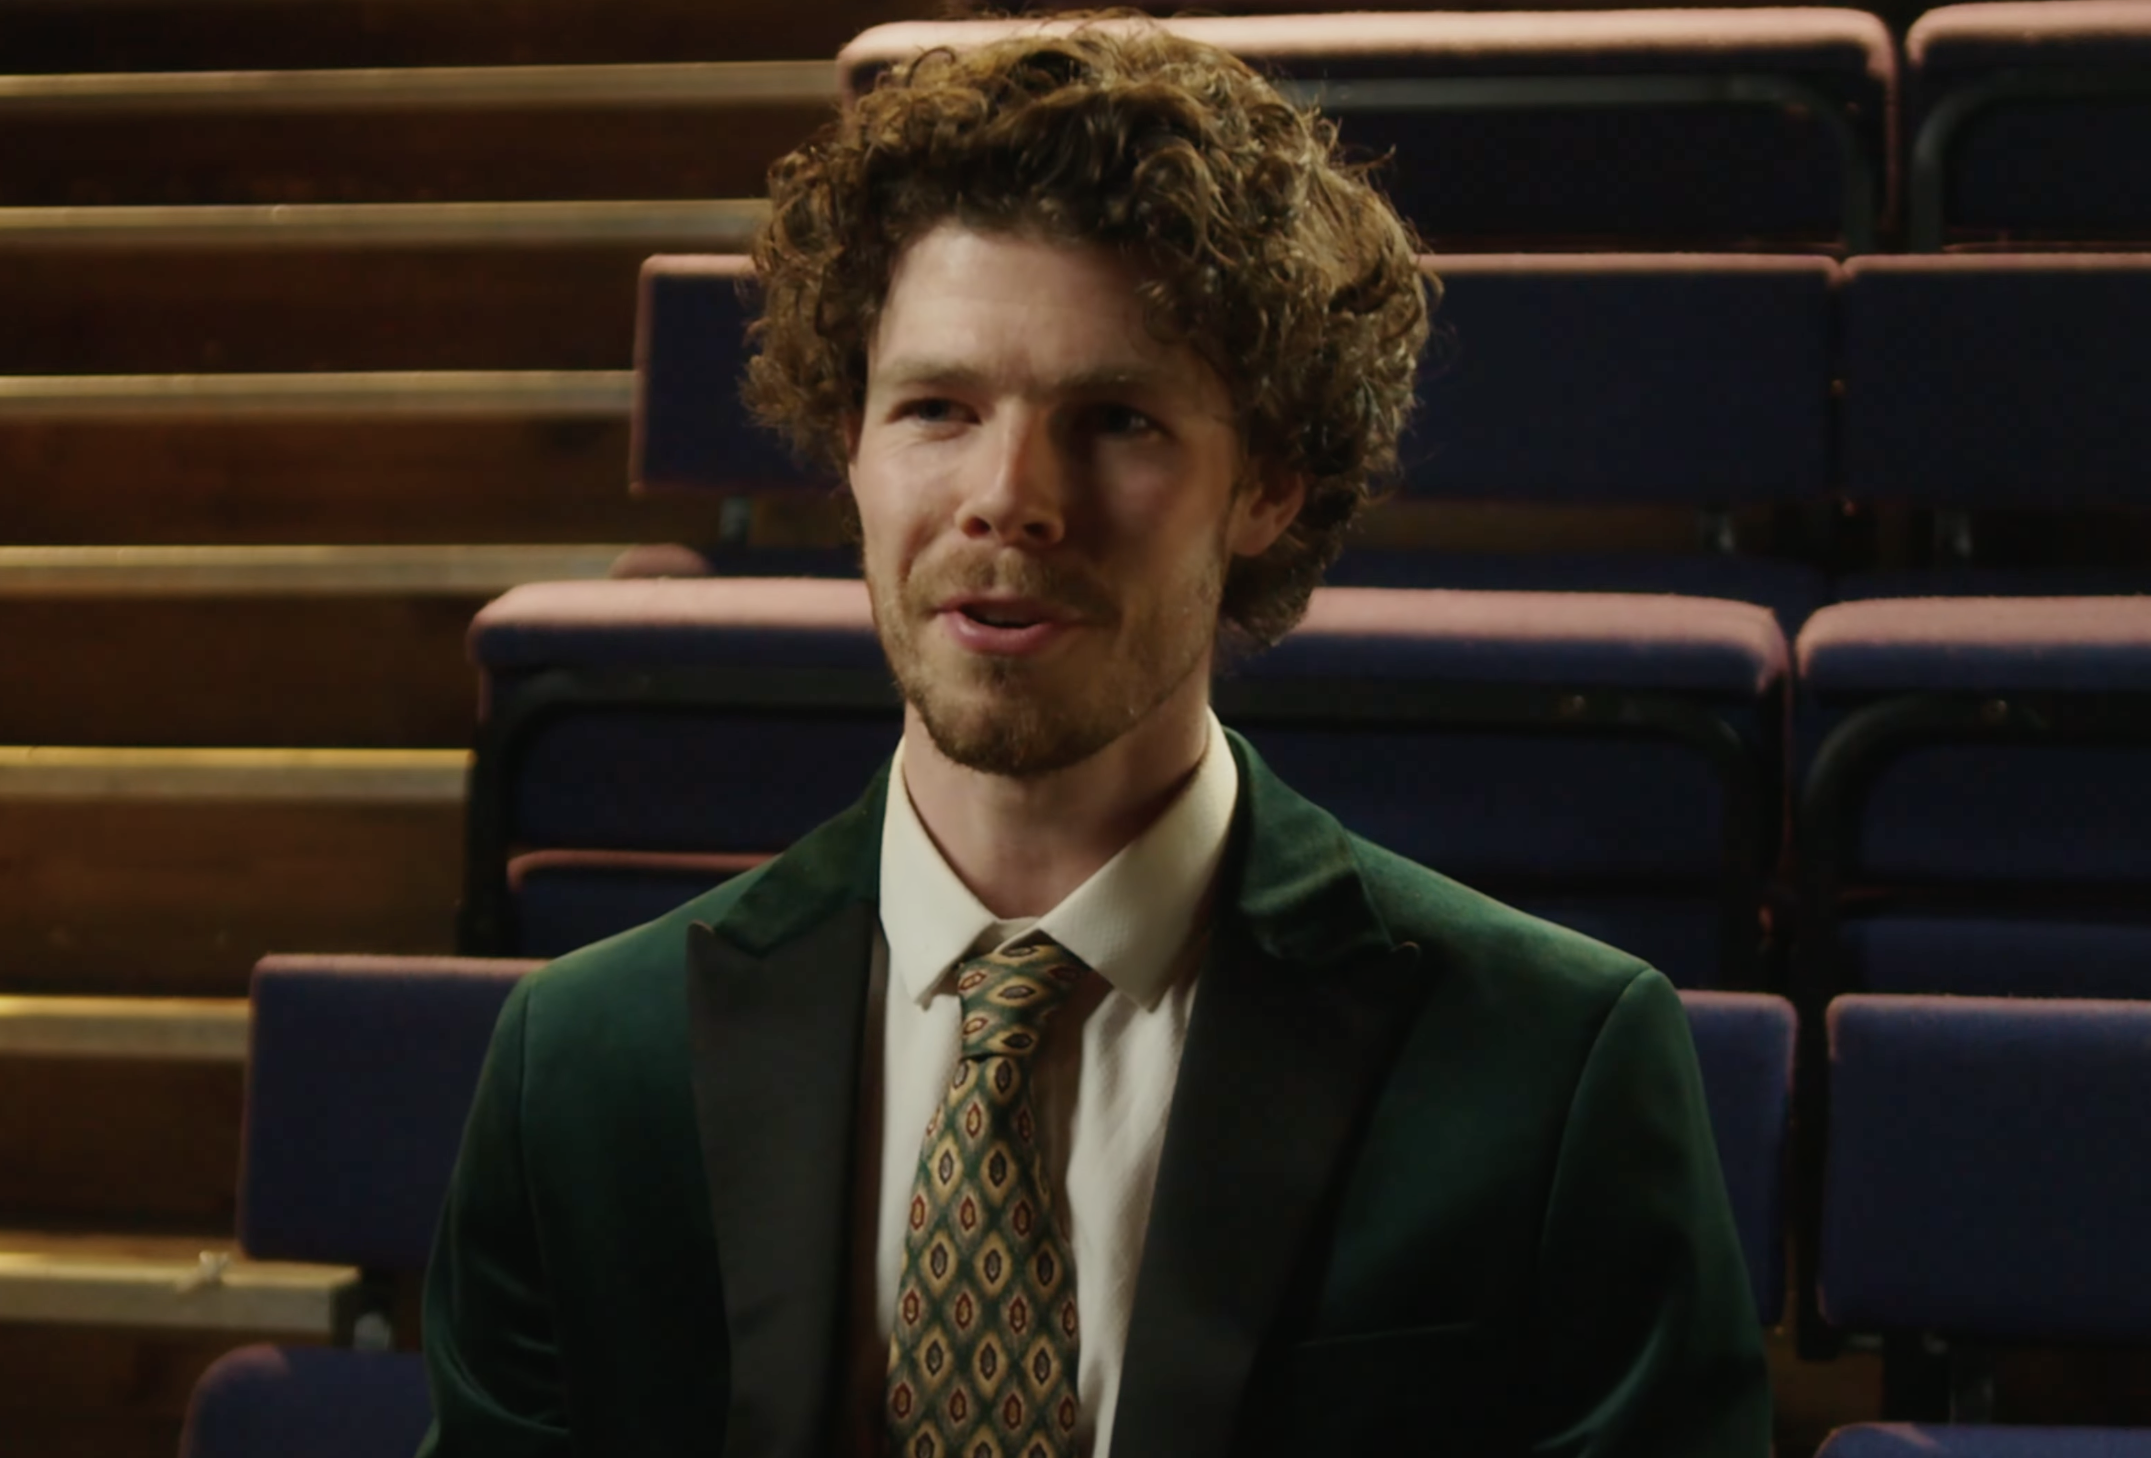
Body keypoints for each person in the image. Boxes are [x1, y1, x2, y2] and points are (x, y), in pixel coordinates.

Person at [418, 18, 1770, 1458]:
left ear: (1268, 484)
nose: (1010, 495)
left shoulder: (1551, 1069)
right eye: (938, 408)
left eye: (1116, 418)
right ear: (851, 447)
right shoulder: (581, 1068)